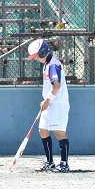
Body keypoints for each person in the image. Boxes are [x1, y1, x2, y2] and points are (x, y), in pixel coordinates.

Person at [27, 39, 70, 173]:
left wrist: (47, 100)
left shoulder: (53, 64)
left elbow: (56, 86)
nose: (36, 59)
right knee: (43, 130)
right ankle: (49, 162)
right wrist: (45, 100)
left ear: (43, 52)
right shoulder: (47, 64)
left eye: (36, 56)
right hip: (49, 103)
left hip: (57, 104)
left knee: (59, 133)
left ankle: (64, 164)